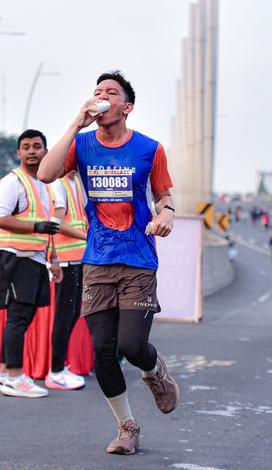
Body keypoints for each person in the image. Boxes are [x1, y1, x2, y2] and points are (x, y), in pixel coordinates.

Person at [38, 71, 179, 456]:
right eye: (97, 91)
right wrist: (75, 123)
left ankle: (155, 371)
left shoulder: (150, 148)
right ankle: (127, 427)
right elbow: (45, 173)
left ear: (127, 106)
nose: (101, 96)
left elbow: (164, 195)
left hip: (138, 258)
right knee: (102, 350)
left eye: (110, 92)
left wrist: (166, 213)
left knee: (132, 345)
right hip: (97, 259)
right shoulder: (81, 144)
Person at [0, 129, 64, 398]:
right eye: (26, 147)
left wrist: (54, 259)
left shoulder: (45, 185)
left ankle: (2, 373)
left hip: (35, 259)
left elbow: (49, 228)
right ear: (18, 152)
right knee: (18, 318)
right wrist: (35, 226)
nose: (32, 151)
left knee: (23, 317)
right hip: (14, 258)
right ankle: (15, 376)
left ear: (46, 151)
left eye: (37, 146)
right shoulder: (13, 182)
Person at [45, 170, 88, 390]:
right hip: (65, 260)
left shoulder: (75, 183)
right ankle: (56, 370)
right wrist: (87, 236)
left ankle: (60, 367)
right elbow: (56, 224)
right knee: (64, 317)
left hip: (78, 258)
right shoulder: (58, 184)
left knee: (72, 314)